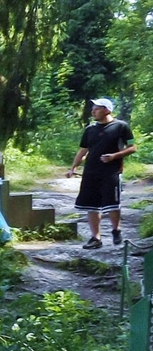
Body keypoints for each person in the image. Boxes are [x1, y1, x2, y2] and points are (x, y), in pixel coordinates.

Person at [67, 98, 136, 249]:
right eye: (93, 108)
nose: (93, 111)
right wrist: (73, 168)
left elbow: (132, 147)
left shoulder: (121, 126)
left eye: (97, 108)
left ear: (107, 110)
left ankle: (116, 230)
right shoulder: (90, 129)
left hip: (112, 171)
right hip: (91, 171)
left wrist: (114, 156)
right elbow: (83, 150)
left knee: (112, 203)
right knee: (91, 206)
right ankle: (95, 238)